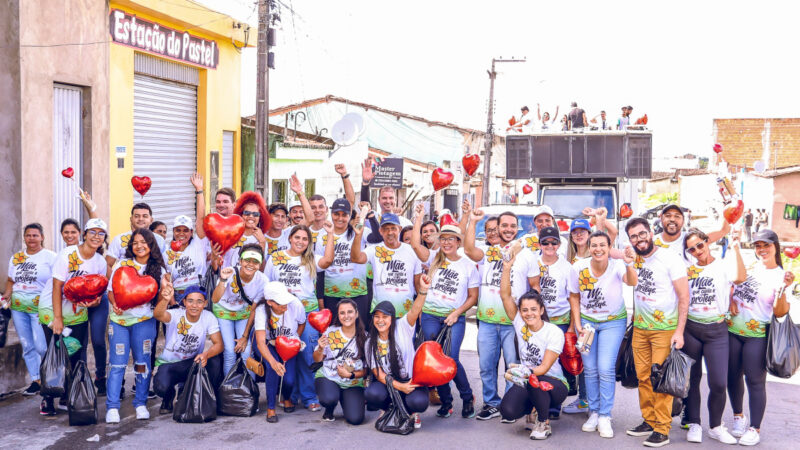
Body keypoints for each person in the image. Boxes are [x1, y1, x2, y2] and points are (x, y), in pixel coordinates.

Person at [464, 206, 535, 421]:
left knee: (513, 367)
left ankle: (511, 405)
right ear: (498, 228)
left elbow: (535, 288)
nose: (508, 229)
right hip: (486, 320)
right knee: (486, 366)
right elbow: (468, 249)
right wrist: (474, 221)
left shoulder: (526, 255)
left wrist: (532, 318)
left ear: (517, 229)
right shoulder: (488, 252)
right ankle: (492, 403)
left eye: (512, 226)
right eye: (504, 225)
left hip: (514, 322)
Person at [624, 217, 690, 447]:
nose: (639, 239)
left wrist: (679, 331)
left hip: (664, 330)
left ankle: (662, 428)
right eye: (633, 236)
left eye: (642, 234)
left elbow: (684, 297)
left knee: (660, 380)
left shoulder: (670, 257)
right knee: (643, 377)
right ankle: (649, 420)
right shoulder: (634, 258)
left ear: (651, 232)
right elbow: (606, 249)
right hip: (641, 328)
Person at [727, 229, 793, 446]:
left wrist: (783, 289)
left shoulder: (781, 275)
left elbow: (780, 313)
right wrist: (731, 301)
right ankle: (738, 417)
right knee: (732, 377)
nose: (762, 249)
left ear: (775, 246)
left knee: (755, 382)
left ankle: (755, 428)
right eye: (758, 245)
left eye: (766, 245)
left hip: (758, 335)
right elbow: (732, 284)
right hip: (733, 331)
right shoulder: (750, 266)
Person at [568, 231, 637, 438]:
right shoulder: (578, 267)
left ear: (609, 248)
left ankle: (605, 415)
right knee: (589, 369)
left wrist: (629, 263)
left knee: (605, 368)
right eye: (594, 245)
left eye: (602, 245)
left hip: (612, 323)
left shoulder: (616, 266)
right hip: (588, 324)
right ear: (589, 248)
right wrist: (578, 324)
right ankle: (594, 412)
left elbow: (631, 282)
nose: (598, 249)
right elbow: (574, 296)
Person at [38, 218, 109, 415]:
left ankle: (66, 395)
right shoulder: (68, 254)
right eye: (92, 232)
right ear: (84, 234)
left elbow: (97, 294)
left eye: (101, 233)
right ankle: (47, 397)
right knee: (55, 352)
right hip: (52, 309)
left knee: (75, 353)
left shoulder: (100, 262)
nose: (96, 236)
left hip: (78, 313)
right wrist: (58, 318)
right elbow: (56, 286)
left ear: (104, 238)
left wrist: (93, 302)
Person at [409, 220, 479, 419]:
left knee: (451, 358)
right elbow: (415, 245)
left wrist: (456, 313)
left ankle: (467, 398)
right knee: (433, 361)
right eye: (443, 239)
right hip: (431, 314)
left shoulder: (467, 265)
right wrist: (419, 215)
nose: (447, 242)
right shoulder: (433, 258)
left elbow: (473, 296)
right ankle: (446, 401)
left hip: (454, 317)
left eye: (451, 239)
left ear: (458, 242)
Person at [681, 228, 745, 444]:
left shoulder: (723, 265)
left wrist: (736, 247)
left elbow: (740, 278)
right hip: (691, 328)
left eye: (700, 245)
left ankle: (716, 426)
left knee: (718, 382)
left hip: (717, 330)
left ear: (707, 242)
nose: (697, 250)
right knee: (693, 380)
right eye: (692, 248)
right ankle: (695, 423)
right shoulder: (688, 270)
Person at [265, 224, 335, 413]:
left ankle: (309, 396)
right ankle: (290, 395)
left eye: (305, 239)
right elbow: (268, 284)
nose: (301, 242)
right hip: (283, 312)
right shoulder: (276, 257)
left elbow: (328, 261)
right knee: (287, 354)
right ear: (290, 238)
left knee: (306, 355)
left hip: (306, 312)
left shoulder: (310, 258)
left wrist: (330, 234)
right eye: (298, 238)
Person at [498, 257, 569, 440]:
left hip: (555, 383)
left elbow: (544, 368)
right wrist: (506, 269)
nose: (529, 313)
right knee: (508, 411)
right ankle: (532, 409)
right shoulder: (519, 324)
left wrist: (522, 370)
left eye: (533, 309)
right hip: (529, 378)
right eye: (525, 310)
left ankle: (543, 422)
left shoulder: (553, 332)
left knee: (534, 378)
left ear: (541, 310)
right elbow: (505, 295)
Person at [105, 227, 165, 423]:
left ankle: (140, 403)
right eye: (135, 242)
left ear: (151, 246)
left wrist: (168, 293)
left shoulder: (159, 270)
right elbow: (111, 290)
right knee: (117, 364)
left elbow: (164, 299)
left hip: (144, 322)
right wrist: (115, 304)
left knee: (142, 364)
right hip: (119, 322)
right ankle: (112, 407)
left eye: (143, 242)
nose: (139, 246)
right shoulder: (122, 264)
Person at [364, 275, 433, 429]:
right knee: (372, 393)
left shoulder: (403, 326)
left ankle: (411, 412)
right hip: (389, 383)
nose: (380, 320)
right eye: (377, 317)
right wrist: (399, 387)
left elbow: (415, 310)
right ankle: (387, 408)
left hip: (409, 380)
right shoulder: (370, 342)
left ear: (392, 318)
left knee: (418, 402)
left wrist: (423, 290)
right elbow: (378, 373)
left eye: (385, 317)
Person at [152, 283, 223, 415]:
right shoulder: (176, 315)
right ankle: (168, 395)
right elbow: (158, 315)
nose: (194, 305)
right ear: (184, 302)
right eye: (190, 301)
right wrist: (165, 300)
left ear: (205, 303)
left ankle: (191, 393)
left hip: (192, 362)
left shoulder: (208, 317)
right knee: (161, 387)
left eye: (199, 301)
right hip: (170, 364)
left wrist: (206, 354)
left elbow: (219, 344)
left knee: (215, 361)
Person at [3, 223, 57, 396]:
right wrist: (6, 297)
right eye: (28, 235)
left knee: (42, 346)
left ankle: (50, 377)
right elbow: (11, 281)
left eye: (35, 235)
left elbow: (58, 282)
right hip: (19, 309)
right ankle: (36, 380)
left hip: (40, 309)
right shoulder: (17, 257)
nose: (31, 239)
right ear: (24, 237)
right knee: (27, 345)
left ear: (42, 237)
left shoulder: (50, 257)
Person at [529, 226, 574, 420]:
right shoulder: (532, 263)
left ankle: (555, 403)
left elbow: (573, 297)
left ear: (559, 244)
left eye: (553, 242)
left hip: (560, 320)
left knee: (558, 363)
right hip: (536, 320)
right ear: (539, 244)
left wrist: (572, 326)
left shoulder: (566, 267)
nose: (550, 246)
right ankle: (536, 401)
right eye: (545, 242)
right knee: (537, 359)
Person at [211, 244, 269, 380]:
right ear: (240, 261)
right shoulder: (229, 272)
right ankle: (228, 390)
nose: (250, 264)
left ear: (260, 265)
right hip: (224, 312)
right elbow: (215, 299)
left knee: (246, 351)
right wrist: (223, 280)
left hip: (244, 313)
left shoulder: (262, 280)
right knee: (230, 351)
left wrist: (244, 336)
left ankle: (250, 391)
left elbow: (254, 309)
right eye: (247, 260)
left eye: (255, 262)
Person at [253, 281, 307, 423]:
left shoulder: (295, 303)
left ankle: (286, 397)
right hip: (267, 344)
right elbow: (260, 341)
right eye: (280, 303)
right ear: (270, 302)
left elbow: (302, 322)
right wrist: (273, 362)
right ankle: (271, 407)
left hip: (288, 343)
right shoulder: (261, 310)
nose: (285, 305)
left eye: (285, 300)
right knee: (273, 368)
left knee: (289, 379)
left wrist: (295, 339)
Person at [351, 212, 422, 317]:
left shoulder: (412, 251)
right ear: (380, 231)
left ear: (400, 229)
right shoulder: (375, 249)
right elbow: (355, 258)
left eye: (393, 228)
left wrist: (420, 311)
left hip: (406, 314)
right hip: (381, 314)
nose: (390, 232)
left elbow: (418, 284)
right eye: (385, 229)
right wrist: (358, 235)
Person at [313, 299, 368, 424]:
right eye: (342, 313)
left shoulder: (366, 338)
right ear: (338, 315)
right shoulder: (330, 331)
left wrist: (350, 375)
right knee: (329, 398)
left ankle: (346, 398)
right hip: (329, 376)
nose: (346, 316)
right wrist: (320, 348)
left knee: (356, 419)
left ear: (357, 313)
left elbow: (367, 370)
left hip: (352, 382)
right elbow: (316, 359)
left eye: (350, 312)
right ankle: (330, 408)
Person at [321, 198, 369, 320]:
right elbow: (320, 270)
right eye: (336, 214)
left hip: (357, 294)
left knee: (359, 333)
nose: (340, 218)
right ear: (331, 214)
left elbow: (378, 238)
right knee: (334, 334)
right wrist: (320, 300)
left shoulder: (359, 231)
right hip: (331, 294)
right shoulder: (323, 235)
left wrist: (364, 214)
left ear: (350, 215)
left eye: (344, 215)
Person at [654, 204, 729, 262]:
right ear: (661, 219)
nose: (672, 219)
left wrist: (728, 207)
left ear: (683, 221)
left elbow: (724, 231)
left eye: (677, 216)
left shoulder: (691, 239)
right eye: (668, 216)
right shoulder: (651, 242)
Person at [163, 215, 212, 300]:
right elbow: (167, 280)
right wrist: (173, 303)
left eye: (186, 230)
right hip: (179, 296)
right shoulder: (167, 252)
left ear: (191, 232)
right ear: (173, 231)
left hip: (199, 294)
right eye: (178, 230)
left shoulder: (198, 244)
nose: (181, 233)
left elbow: (200, 218)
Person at [106, 203, 166, 268]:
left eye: (145, 216)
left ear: (151, 220)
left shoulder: (159, 240)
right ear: (131, 219)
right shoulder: (120, 239)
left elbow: (164, 264)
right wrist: (115, 278)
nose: (140, 219)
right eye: (137, 216)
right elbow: (107, 265)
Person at [359, 157, 413, 227]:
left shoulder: (405, 223)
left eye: (391, 198)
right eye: (384, 198)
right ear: (378, 199)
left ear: (395, 200)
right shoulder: (371, 218)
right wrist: (365, 183)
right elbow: (365, 206)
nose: (388, 201)